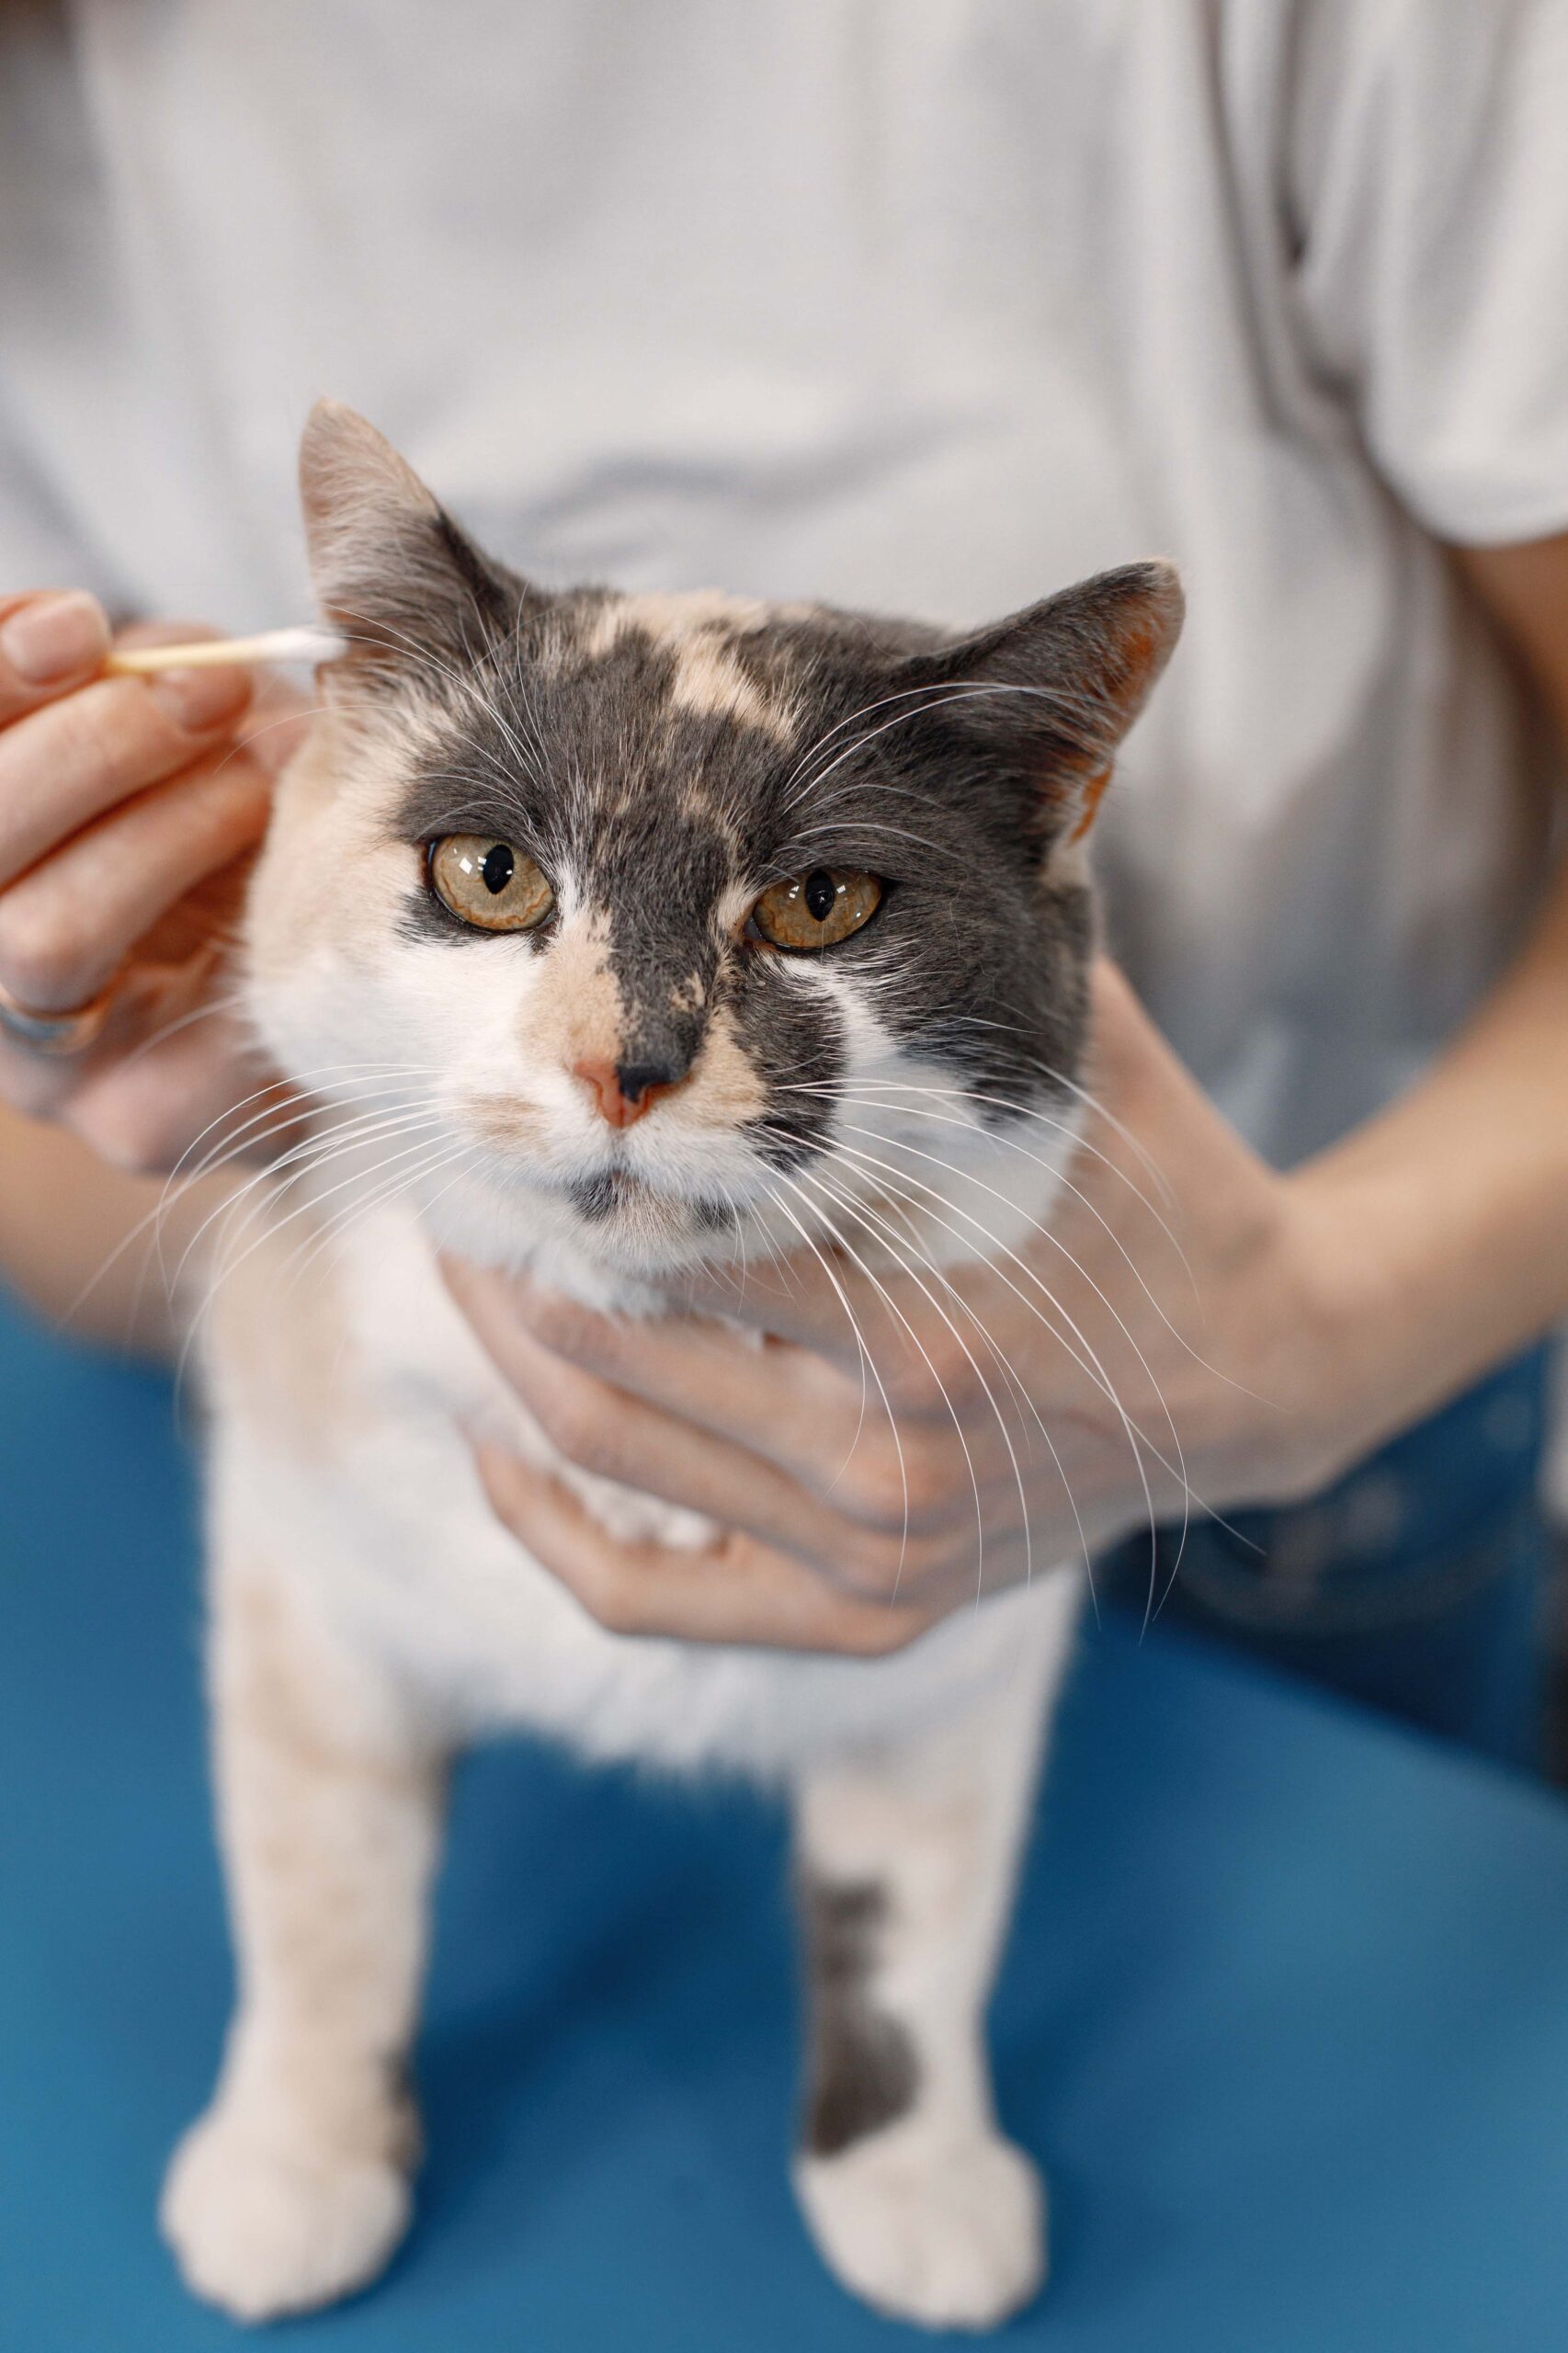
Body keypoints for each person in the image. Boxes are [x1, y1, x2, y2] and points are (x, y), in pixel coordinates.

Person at [2, 3, 1566, 1761]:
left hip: (1333, 1330)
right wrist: (211, 1046)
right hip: (457, 1381)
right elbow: (76, 1213)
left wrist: (1315, 1340)